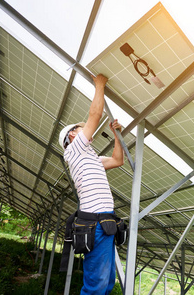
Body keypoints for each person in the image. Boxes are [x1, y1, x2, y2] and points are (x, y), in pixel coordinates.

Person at [58, 74, 124, 294]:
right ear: (71, 137)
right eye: (78, 128)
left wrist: (117, 135)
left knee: (106, 282)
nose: (84, 129)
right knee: (96, 285)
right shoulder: (73, 151)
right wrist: (100, 85)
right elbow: (94, 116)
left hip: (103, 222)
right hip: (95, 224)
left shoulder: (92, 158)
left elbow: (117, 160)